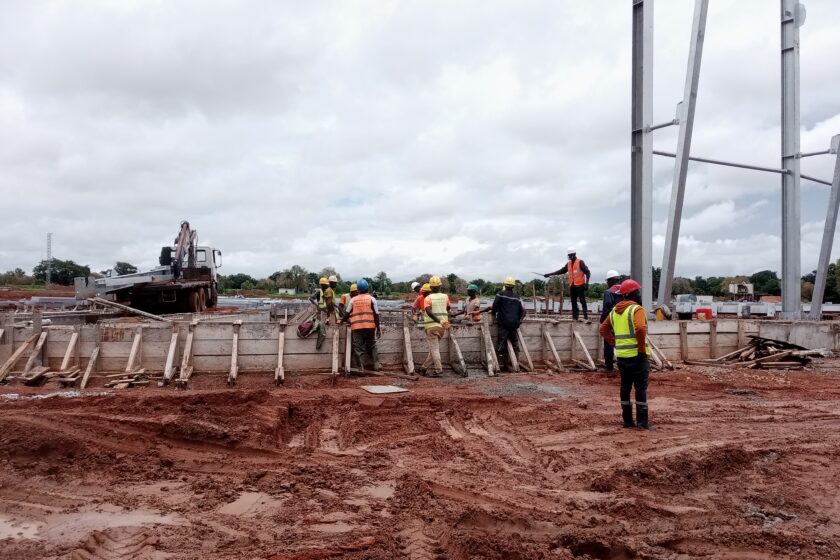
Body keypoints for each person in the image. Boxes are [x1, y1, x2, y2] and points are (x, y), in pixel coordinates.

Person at [599, 279, 653, 430]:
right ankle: (642, 423)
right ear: (631, 294)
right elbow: (640, 328)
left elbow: (603, 329)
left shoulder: (614, 311)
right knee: (640, 388)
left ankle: (627, 421)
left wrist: (616, 344)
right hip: (637, 356)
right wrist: (641, 350)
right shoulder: (636, 309)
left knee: (625, 387)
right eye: (637, 292)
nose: (639, 294)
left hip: (622, 356)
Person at [342, 279, 381, 371]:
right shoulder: (372, 299)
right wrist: (378, 328)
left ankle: (360, 367)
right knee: (372, 345)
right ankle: (376, 365)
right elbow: (376, 315)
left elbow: (346, 314)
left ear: (358, 290)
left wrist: (341, 321)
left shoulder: (353, 300)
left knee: (358, 347)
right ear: (367, 288)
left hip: (357, 327)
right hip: (370, 327)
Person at [544, 247, 591, 321]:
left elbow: (587, 272)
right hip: (572, 286)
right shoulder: (568, 264)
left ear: (572, 255)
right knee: (573, 302)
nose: (568, 257)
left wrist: (587, 283)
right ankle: (575, 318)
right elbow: (561, 271)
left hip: (580, 285)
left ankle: (586, 318)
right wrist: (549, 274)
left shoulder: (580, 262)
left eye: (569, 255)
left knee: (583, 302)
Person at [491, 277, 526, 371]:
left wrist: (494, 316)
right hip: (514, 324)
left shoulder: (500, 294)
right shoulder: (517, 297)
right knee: (514, 343)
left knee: (501, 343)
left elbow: (494, 307)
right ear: (513, 286)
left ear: (505, 285)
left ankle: (501, 365)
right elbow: (523, 311)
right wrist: (519, 321)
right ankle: (515, 363)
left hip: (503, 323)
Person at [420, 276, 450, 377]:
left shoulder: (428, 298)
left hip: (432, 326)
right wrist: (442, 320)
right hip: (442, 326)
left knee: (435, 349)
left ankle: (438, 370)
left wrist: (438, 320)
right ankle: (423, 368)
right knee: (434, 349)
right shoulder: (445, 296)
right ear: (440, 286)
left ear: (431, 287)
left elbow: (428, 312)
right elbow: (448, 308)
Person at [599, 270, 623, 373]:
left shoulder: (609, 292)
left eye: (607, 281)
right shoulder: (625, 290)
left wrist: (602, 320)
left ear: (611, 280)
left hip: (612, 321)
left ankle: (609, 367)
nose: (607, 283)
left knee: (609, 343)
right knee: (622, 343)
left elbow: (607, 307)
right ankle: (623, 365)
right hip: (623, 322)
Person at [308, 277, 335, 349]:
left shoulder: (328, 291)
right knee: (321, 326)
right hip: (321, 312)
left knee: (327, 325)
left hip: (327, 311)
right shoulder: (319, 292)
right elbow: (310, 298)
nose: (327, 286)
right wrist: (317, 305)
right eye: (326, 285)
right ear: (322, 285)